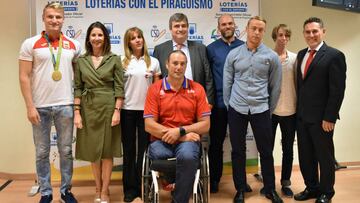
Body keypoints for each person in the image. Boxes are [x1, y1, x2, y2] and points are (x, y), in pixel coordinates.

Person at [19, 2, 80, 203]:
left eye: (58, 17)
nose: (54, 20)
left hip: (66, 105)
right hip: (40, 107)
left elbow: (78, 76)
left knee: (66, 151)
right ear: (44, 18)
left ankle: (65, 191)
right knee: (42, 152)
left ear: (64, 19)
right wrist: (30, 106)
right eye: (50, 16)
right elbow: (24, 76)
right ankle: (45, 192)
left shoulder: (73, 45)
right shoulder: (30, 43)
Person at [223, 16, 283, 203]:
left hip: (261, 109)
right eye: (253, 28)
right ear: (246, 29)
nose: (256, 32)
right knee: (238, 150)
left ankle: (270, 189)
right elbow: (227, 82)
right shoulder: (233, 54)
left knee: (266, 151)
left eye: (260, 29)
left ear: (264, 32)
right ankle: (240, 188)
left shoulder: (271, 57)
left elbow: (276, 87)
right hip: (237, 108)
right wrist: (230, 105)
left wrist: (268, 108)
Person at [144, 50, 211, 203]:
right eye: (175, 63)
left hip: (187, 140)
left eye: (182, 64)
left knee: (187, 156)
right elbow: (149, 125)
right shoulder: (155, 89)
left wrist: (180, 131)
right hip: (161, 140)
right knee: (158, 155)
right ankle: (171, 181)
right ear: (167, 65)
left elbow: (205, 124)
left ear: (186, 66)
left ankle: (179, 199)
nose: (178, 67)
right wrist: (180, 136)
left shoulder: (197, 89)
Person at [294, 17, 346, 203]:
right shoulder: (301, 55)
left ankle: (327, 192)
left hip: (323, 119)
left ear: (323, 32)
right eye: (307, 32)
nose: (311, 35)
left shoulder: (334, 55)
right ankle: (312, 188)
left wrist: (330, 117)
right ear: (304, 34)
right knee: (306, 157)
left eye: (315, 31)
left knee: (324, 157)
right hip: (302, 118)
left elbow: (337, 91)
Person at [73, 21, 124, 203]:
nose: (97, 38)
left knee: (107, 151)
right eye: (93, 35)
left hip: (109, 107)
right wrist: (77, 113)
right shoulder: (81, 61)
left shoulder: (114, 59)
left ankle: (105, 190)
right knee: (93, 151)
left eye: (100, 35)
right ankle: (96, 188)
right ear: (88, 38)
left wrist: (117, 111)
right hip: (88, 109)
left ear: (105, 38)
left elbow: (119, 88)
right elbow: (78, 87)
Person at [120, 27, 161, 202]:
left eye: (139, 37)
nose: (137, 40)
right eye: (133, 38)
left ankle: (145, 187)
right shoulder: (121, 61)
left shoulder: (153, 62)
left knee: (144, 151)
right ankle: (130, 189)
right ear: (128, 42)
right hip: (127, 111)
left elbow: (158, 89)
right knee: (129, 151)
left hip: (147, 113)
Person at [206, 14, 244, 193]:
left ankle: (241, 182)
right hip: (219, 105)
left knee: (239, 145)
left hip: (240, 105)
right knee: (216, 144)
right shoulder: (211, 49)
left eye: (230, 23)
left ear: (235, 25)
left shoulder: (244, 47)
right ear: (218, 27)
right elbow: (208, 78)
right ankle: (214, 179)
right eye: (224, 24)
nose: (227, 26)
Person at [153, 12, 214, 105]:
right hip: (167, 102)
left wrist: (209, 102)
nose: (180, 29)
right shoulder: (160, 49)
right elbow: (156, 79)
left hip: (196, 101)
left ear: (187, 27)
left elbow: (208, 77)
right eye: (177, 26)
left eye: (183, 26)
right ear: (170, 29)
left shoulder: (201, 48)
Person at [271, 24, 297, 197]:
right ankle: (268, 182)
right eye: (280, 35)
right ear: (275, 36)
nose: (284, 38)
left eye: (287, 35)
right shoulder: (268, 57)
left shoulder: (295, 58)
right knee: (267, 149)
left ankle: (286, 182)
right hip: (271, 111)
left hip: (291, 111)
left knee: (288, 149)